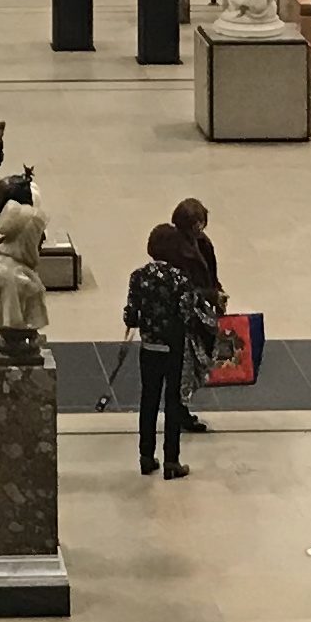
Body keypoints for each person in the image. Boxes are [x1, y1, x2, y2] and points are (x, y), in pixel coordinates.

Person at [123, 224, 218, 480]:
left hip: (148, 348)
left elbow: (130, 316)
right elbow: (187, 315)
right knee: (173, 402)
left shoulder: (138, 276)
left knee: (148, 400)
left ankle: (145, 457)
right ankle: (171, 461)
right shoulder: (180, 279)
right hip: (174, 349)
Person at [168, 197, 223, 439]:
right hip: (183, 315)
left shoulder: (203, 244)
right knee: (182, 366)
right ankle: (178, 411)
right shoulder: (174, 250)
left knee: (191, 366)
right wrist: (211, 294)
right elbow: (184, 287)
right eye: (194, 224)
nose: (199, 229)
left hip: (200, 309)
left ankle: (181, 408)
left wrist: (217, 292)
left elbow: (210, 274)